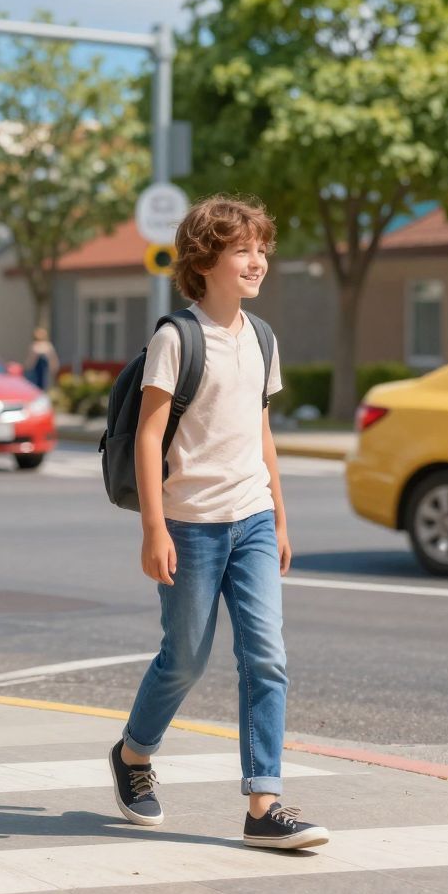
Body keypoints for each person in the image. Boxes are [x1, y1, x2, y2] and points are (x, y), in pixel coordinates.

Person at [108, 195, 329, 851]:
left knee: (266, 657)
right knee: (185, 658)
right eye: (242, 250)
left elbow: (262, 432)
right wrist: (154, 528)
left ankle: (264, 804)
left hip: (252, 518)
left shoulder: (262, 337)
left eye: (262, 249)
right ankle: (133, 754)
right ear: (205, 262)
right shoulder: (176, 338)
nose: (257, 261)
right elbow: (149, 436)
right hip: (191, 524)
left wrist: (280, 518)